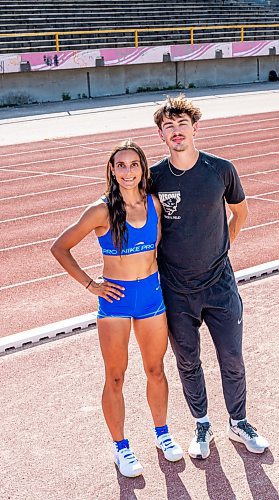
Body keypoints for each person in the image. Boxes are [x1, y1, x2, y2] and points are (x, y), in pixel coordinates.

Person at [51, 140, 183, 478]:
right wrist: (90, 284)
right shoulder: (101, 210)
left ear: (143, 168)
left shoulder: (154, 203)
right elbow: (60, 247)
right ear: (112, 170)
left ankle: (162, 434)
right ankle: (121, 448)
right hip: (116, 302)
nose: (127, 171)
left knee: (155, 370)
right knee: (115, 376)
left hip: (152, 297)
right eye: (120, 165)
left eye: (133, 164)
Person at [149, 94, 269, 459]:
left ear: (195, 128)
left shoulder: (220, 169)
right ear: (161, 135)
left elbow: (241, 213)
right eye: (168, 126)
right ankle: (202, 424)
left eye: (182, 124)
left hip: (219, 286)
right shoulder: (153, 177)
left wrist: (223, 249)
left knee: (231, 357)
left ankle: (239, 422)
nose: (176, 131)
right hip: (176, 289)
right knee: (187, 361)